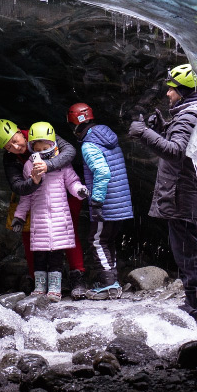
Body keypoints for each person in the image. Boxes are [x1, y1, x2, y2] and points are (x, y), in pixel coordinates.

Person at [128, 63, 197, 324]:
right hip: (186, 192)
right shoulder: (191, 111)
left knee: (187, 251)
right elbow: (184, 147)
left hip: (182, 194)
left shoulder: (188, 116)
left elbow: (175, 152)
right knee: (189, 248)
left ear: (184, 91)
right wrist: (162, 128)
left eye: (172, 89)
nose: (168, 94)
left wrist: (144, 133)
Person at [0, 118, 90, 299]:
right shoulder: (11, 158)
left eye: (15, 140)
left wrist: (48, 166)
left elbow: (69, 151)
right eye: (8, 147)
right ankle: (36, 279)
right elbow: (18, 186)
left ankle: (77, 276)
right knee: (31, 235)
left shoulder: (40, 132)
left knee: (67, 231)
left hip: (64, 190)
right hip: (36, 197)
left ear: (20, 132)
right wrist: (34, 182)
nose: (15, 147)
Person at [67, 103, 133, 300]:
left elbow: (103, 173)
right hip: (121, 201)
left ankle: (109, 284)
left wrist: (96, 202)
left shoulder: (89, 145)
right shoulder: (107, 137)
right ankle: (113, 281)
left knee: (96, 241)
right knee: (107, 240)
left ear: (75, 125)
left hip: (107, 202)